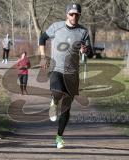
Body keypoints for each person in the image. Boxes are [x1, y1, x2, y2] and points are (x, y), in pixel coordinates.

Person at [39, 3, 91, 149]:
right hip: (57, 69)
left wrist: (85, 50)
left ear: (79, 16)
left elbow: (89, 51)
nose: (74, 17)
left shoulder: (83, 32)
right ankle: (54, 101)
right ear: (67, 14)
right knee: (57, 91)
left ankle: (59, 137)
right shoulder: (56, 27)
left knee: (66, 108)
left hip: (72, 73)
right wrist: (43, 57)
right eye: (71, 14)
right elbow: (42, 38)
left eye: (77, 14)